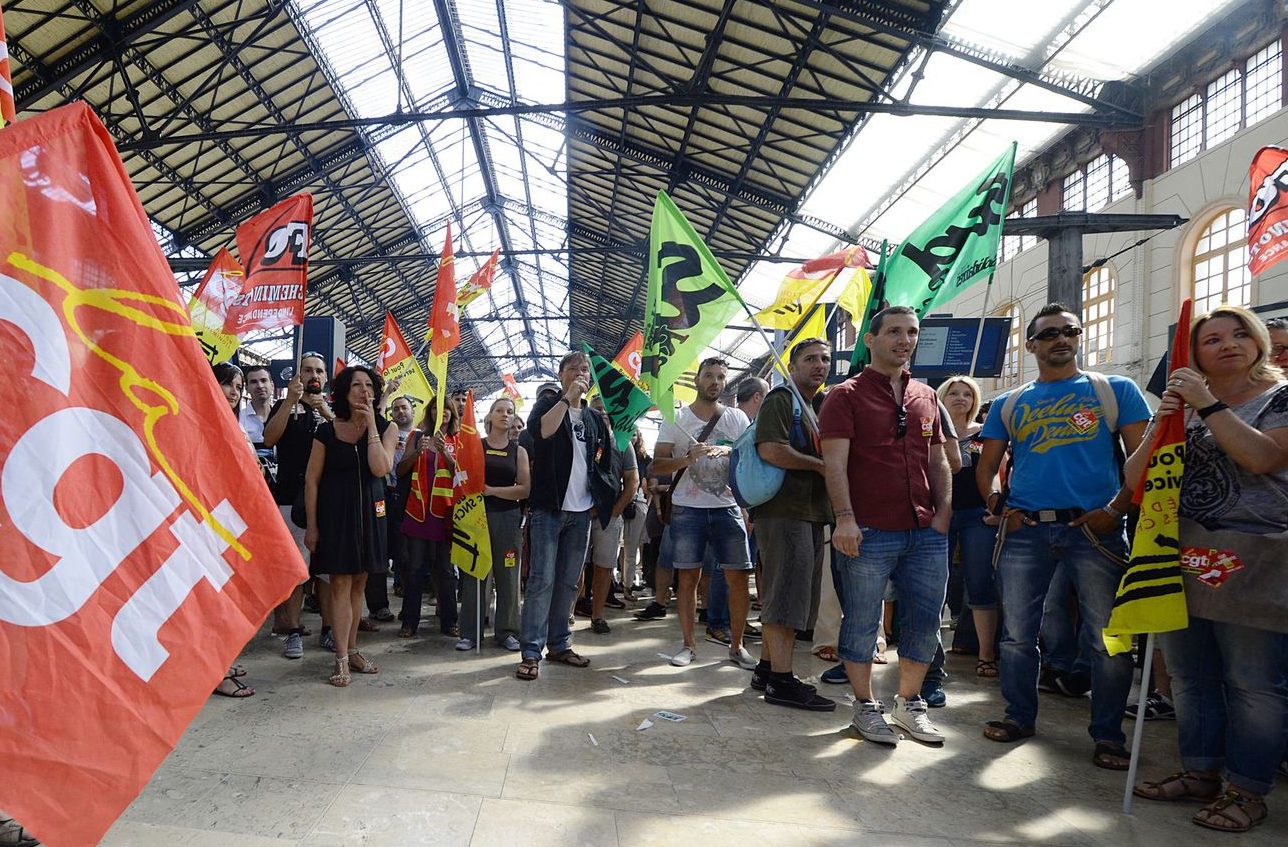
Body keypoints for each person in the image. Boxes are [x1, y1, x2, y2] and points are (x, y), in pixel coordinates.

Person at [1130, 305, 1288, 832]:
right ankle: (1199, 772)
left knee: (1252, 682)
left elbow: (1262, 458)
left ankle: (1247, 790)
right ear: (1194, 354)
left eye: (1240, 334)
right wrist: (1164, 421)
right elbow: (1135, 480)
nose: (1228, 344)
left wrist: (1208, 404)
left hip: (1257, 557)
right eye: (1212, 338)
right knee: (1190, 676)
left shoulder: (1279, 398)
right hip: (1185, 554)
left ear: (1259, 341)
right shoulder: (1185, 408)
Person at [975, 302, 1149, 770]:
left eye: (1070, 331)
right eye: (1050, 333)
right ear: (1031, 345)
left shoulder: (1115, 390)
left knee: (1108, 639)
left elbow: (1143, 460)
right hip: (1026, 531)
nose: (1061, 339)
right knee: (1017, 635)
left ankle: (1108, 735)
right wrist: (998, 504)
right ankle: (1018, 716)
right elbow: (988, 467)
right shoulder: (1011, 402)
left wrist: (1115, 511)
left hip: (1094, 532)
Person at [821, 307, 952, 745]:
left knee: (925, 621)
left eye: (912, 332)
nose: (904, 340)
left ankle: (908, 704)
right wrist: (845, 519)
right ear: (871, 340)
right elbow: (834, 463)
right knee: (862, 620)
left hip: (925, 531)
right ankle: (865, 707)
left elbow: (937, 458)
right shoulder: (845, 395)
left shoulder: (926, 395)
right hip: (869, 530)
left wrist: (943, 511)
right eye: (894, 331)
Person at [517, 352, 619, 680]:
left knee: (568, 582)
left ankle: (560, 644)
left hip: (581, 513)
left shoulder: (594, 418)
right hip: (549, 509)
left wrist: (599, 499)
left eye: (584, 369)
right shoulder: (546, 406)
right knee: (541, 580)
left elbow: (604, 461)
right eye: (572, 369)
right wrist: (566, 399)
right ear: (561, 375)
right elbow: (542, 432)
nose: (579, 374)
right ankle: (531, 651)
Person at [748, 339, 836, 711]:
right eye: (810, 359)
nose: (820, 365)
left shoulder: (816, 404)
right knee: (785, 596)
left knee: (794, 594)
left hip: (808, 511)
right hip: (785, 511)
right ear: (793, 365)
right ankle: (782, 682)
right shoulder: (782, 399)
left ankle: (768, 669)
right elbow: (770, 448)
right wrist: (819, 465)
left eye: (825, 359)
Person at [652, 357, 756, 670]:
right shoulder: (676, 418)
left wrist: (730, 452)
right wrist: (685, 459)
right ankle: (688, 645)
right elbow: (656, 465)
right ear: (697, 380)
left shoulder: (737, 418)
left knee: (739, 578)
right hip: (688, 509)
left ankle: (737, 646)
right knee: (688, 579)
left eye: (721, 377)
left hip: (728, 508)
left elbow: (751, 457)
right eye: (709, 375)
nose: (715, 382)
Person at [304, 366, 398, 686]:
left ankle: (354, 649)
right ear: (344, 391)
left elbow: (380, 467)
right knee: (340, 584)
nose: (363, 390)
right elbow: (312, 480)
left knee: (360, 584)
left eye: (368, 385)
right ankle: (341, 657)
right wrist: (312, 526)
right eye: (356, 385)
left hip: (371, 517)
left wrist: (371, 425)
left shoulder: (386, 427)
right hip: (336, 518)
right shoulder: (327, 431)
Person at [263, 353, 335, 658]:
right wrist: (290, 402)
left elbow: (348, 441)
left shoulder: (334, 412)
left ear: (326, 377)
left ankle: (329, 629)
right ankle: (292, 631)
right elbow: (269, 439)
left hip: (328, 501)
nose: (313, 375)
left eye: (319, 370)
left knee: (328, 572)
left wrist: (326, 413)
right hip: (290, 500)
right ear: (298, 375)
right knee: (296, 570)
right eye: (308, 370)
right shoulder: (284, 406)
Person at [936, 375, 999, 677]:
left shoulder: (985, 434)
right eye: (954, 393)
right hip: (941, 513)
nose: (961, 398)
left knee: (980, 582)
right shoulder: (932, 432)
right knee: (935, 583)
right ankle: (929, 656)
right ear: (942, 398)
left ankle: (986, 654)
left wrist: (997, 507)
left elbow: (997, 472)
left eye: (967, 394)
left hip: (978, 515)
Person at [459, 398, 530, 650]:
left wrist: (492, 491)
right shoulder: (475, 446)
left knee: (508, 574)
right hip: (476, 517)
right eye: (499, 410)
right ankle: (470, 632)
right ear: (489, 416)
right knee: (475, 573)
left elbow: (524, 489)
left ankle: (508, 631)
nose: (504, 414)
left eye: (509, 411)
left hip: (507, 518)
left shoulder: (518, 451)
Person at [208, 362, 257, 698]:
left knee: (229, 597)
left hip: (235, 519)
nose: (234, 392)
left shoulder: (234, 424)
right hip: (212, 521)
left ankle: (223, 660)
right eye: (228, 384)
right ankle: (216, 671)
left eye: (238, 387)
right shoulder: (204, 420)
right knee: (215, 599)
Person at [398, 401, 459, 638]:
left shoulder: (458, 439)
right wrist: (417, 452)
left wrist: (445, 453)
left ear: (452, 413)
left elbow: (464, 475)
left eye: (446, 408)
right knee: (414, 570)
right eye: (436, 408)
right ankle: (409, 622)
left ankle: (450, 622)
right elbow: (400, 470)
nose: (441, 412)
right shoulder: (416, 436)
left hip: (446, 515)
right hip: (418, 513)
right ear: (430, 412)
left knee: (446, 571)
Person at [585, 398, 639, 634]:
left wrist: (614, 512)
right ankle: (567, 614)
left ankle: (598, 615)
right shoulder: (581, 439)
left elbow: (632, 481)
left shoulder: (623, 442)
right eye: (598, 409)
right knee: (574, 567)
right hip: (580, 512)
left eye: (607, 409)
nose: (603, 413)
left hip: (608, 516)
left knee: (604, 566)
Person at [368, 395, 416, 624]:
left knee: (406, 553)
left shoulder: (420, 436)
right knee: (378, 549)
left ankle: (409, 607)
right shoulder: (384, 431)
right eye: (396, 409)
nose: (400, 412)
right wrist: (386, 394)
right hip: (382, 495)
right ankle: (378, 606)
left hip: (408, 498)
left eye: (404, 407)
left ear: (412, 411)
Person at [621, 430, 651, 601]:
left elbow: (644, 485)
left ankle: (627, 585)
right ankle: (622, 584)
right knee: (620, 550)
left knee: (630, 549)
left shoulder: (644, 459)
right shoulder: (615, 449)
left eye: (634, 434)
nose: (632, 437)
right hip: (622, 505)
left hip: (635, 505)